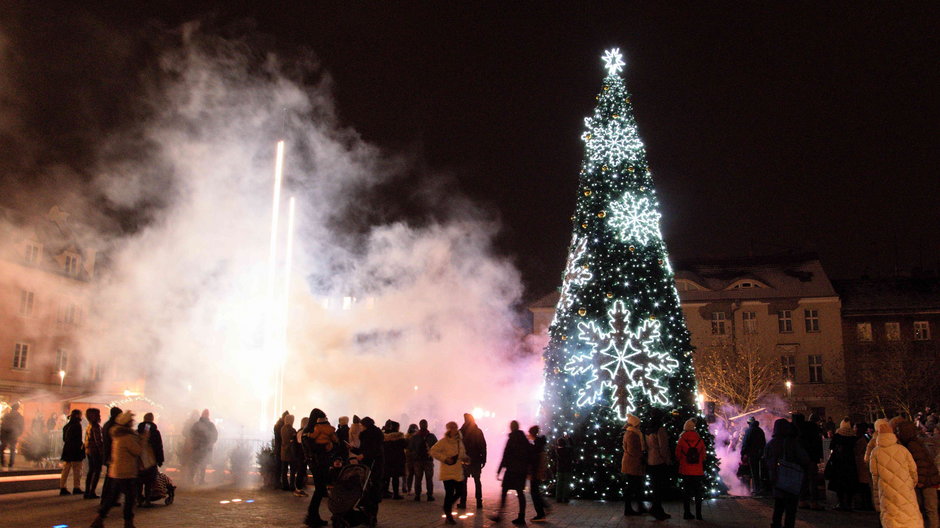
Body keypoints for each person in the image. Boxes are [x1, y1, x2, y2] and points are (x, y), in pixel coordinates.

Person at [90, 411, 144, 528]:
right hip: (126, 472)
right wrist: (143, 440)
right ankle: (128, 522)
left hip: (117, 471)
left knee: (112, 498)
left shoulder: (118, 435)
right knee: (130, 499)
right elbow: (137, 450)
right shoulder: (127, 437)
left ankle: (99, 520)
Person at [870, 419, 923, 528]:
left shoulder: (875, 453)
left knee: (892, 520)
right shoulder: (902, 450)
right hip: (905, 490)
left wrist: (877, 498)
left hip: (887, 493)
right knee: (909, 517)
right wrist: (909, 485)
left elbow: (875, 477)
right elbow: (913, 471)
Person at [764, 418, 810, 528]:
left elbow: (766, 460)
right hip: (792, 480)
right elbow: (804, 459)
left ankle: (776, 525)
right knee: (790, 509)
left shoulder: (771, 443)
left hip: (777, 479)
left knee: (778, 507)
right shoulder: (792, 443)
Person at [896, 419, 940, 528]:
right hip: (929, 480)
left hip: (927, 481)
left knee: (930, 509)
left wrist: (919, 481)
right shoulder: (915, 443)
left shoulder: (912, 445)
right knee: (930, 509)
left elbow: (922, 464)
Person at [302, 408, 338, 527]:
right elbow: (312, 448)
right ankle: (312, 516)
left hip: (317, 463)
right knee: (319, 490)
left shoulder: (309, 431)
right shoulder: (309, 432)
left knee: (320, 490)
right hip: (317, 464)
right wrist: (327, 447)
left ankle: (313, 515)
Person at [429, 421, 469, 525]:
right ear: (448, 429)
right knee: (449, 493)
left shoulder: (459, 441)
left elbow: (462, 453)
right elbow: (433, 451)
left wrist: (465, 458)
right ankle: (449, 515)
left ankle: (447, 506)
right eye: (451, 427)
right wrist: (445, 459)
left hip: (457, 471)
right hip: (447, 471)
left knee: (460, 491)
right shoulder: (444, 441)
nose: (454, 429)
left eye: (455, 427)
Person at [490, 420, 530, 526]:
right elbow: (528, 456)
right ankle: (521, 516)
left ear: (511, 428)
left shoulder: (511, 439)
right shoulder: (524, 440)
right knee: (520, 494)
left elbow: (506, 456)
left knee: (504, 493)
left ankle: (499, 515)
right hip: (521, 471)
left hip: (511, 470)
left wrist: (499, 471)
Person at [644, 408, 673, 520]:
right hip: (659, 461)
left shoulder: (647, 429)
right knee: (659, 487)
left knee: (655, 486)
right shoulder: (660, 430)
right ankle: (656, 510)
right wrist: (667, 460)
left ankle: (657, 509)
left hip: (651, 460)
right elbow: (663, 447)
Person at [792, 413, 824, 510]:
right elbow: (817, 443)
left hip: (801, 458)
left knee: (803, 480)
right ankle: (814, 502)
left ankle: (802, 501)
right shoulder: (813, 428)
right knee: (813, 480)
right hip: (811, 458)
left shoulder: (797, 429)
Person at [826, 418, 858, 511]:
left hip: (838, 463)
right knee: (849, 483)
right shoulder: (853, 436)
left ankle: (841, 503)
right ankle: (849, 503)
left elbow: (831, 446)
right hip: (850, 462)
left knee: (839, 484)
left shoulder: (837, 435)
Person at [676, 418, 705, 520]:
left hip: (686, 470)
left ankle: (687, 513)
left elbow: (678, 455)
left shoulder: (681, 440)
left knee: (687, 493)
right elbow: (703, 456)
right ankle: (699, 514)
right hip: (697, 471)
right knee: (698, 494)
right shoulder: (699, 440)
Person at [458, 413, 487, 510]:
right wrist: (484, 459)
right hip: (476, 459)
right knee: (477, 481)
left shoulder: (461, 431)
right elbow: (483, 446)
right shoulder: (478, 431)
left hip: (465, 459)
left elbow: (458, 445)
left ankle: (463, 502)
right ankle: (479, 502)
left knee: (463, 482)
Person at [622, 413, 647, 516]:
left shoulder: (633, 433)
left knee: (636, 486)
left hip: (632, 463)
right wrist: (642, 455)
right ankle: (629, 509)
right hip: (632, 463)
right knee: (633, 486)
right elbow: (632, 450)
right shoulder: (632, 434)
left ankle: (639, 506)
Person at [408, 419, 437, 501]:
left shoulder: (415, 437)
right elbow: (437, 447)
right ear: (427, 425)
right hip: (428, 460)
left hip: (417, 461)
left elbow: (410, 448)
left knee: (418, 478)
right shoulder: (431, 436)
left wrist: (414, 456)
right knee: (429, 479)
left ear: (419, 426)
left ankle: (417, 495)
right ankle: (430, 495)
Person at [100, 406, 123, 505]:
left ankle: (106, 498)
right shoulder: (114, 426)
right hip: (113, 454)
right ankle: (109, 499)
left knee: (110, 477)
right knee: (112, 478)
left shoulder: (107, 424)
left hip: (108, 453)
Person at [189, 409, 218, 485]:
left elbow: (191, 434)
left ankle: (195, 480)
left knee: (198, 464)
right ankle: (197, 480)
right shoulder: (209, 425)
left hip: (200, 447)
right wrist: (210, 442)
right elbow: (215, 435)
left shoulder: (197, 424)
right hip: (202, 448)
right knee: (200, 464)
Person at [59, 409, 85, 495]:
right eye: (81, 415)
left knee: (66, 469)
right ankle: (76, 487)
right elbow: (78, 439)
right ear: (77, 415)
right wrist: (81, 448)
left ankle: (63, 487)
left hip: (67, 450)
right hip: (75, 450)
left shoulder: (66, 426)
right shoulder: (77, 425)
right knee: (77, 470)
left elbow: (64, 439)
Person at [136, 414, 159, 507]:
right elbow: (158, 446)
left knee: (139, 481)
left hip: (139, 459)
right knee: (149, 481)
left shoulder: (137, 431)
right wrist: (160, 459)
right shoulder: (154, 432)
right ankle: (147, 500)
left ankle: (139, 499)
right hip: (150, 459)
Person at [740, 416, 767, 495]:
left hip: (752, 455)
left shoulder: (749, 431)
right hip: (760, 454)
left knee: (754, 472)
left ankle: (756, 489)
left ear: (749, 423)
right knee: (759, 472)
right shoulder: (760, 430)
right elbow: (763, 443)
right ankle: (759, 488)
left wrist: (742, 454)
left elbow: (745, 443)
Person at [528, 425, 549, 523]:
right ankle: (544, 508)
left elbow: (535, 461)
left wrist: (533, 474)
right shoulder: (539, 443)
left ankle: (540, 514)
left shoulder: (536, 445)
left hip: (536, 473)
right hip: (539, 472)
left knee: (534, 492)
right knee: (535, 492)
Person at [382, 420, 406, 499]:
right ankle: (396, 494)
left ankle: (385, 492)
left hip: (386, 459)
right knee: (395, 477)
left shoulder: (384, 437)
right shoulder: (400, 438)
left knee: (386, 476)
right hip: (397, 460)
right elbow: (406, 445)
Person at [853, 422, 874, 511]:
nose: (853, 429)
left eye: (855, 427)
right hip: (861, 464)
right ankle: (865, 504)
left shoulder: (862, 440)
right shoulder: (863, 439)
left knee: (864, 486)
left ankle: (866, 504)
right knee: (863, 485)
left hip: (862, 464)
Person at [84, 408, 104, 499]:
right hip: (95, 451)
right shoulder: (96, 426)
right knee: (96, 471)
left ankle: (87, 491)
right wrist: (102, 452)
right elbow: (98, 441)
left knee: (91, 471)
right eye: (98, 414)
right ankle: (92, 491)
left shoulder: (89, 425)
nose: (99, 416)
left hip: (89, 450)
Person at [0, 402, 25, 468]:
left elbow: (2, 425)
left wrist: (2, 433)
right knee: (13, 449)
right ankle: (11, 464)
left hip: (5, 434)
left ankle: (2, 462)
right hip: (14, 434)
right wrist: (18, 433)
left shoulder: (6, 415)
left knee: (2, 448)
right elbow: (21, 426)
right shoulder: (19, 416)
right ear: (17, 408)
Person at [552, 433, 573, 503]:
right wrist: (568, 438)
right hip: (567, 469)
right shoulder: (568, 450)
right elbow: (572, 446)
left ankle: (558, 498)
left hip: (560, 469)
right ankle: (565, 498)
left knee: (559, 484)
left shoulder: (557, 450)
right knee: (566, 484)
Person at [280, 414, 297, 491]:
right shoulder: (292, 429)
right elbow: (293, 440)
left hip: (284, 451)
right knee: (292, 470)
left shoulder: (282, 428)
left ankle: (285, 485)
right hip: (291, 452)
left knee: (284, 470)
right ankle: (292, 486)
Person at [293, 416, 309, 496]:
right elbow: (301, 444)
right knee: (301, 471)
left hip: (300, 455)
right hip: (301, 455)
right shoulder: (302, 432)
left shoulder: (300, 431)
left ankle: (299, 488)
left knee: (301, 471)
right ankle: (298, 489)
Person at [272, 410, 288, 489]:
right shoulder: (282, 426)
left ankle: (277, 483)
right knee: (280, 466)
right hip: (281, 448)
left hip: (278, 448)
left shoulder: (278, 425)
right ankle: (278, 483)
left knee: (278, 466)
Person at [403, 423, 418, 495]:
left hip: (408, 458)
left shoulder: (406, 438)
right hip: (416, 458)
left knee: (409, 475)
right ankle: (415, 490)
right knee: (416, 475)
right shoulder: (418, 438)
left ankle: (408, 489)